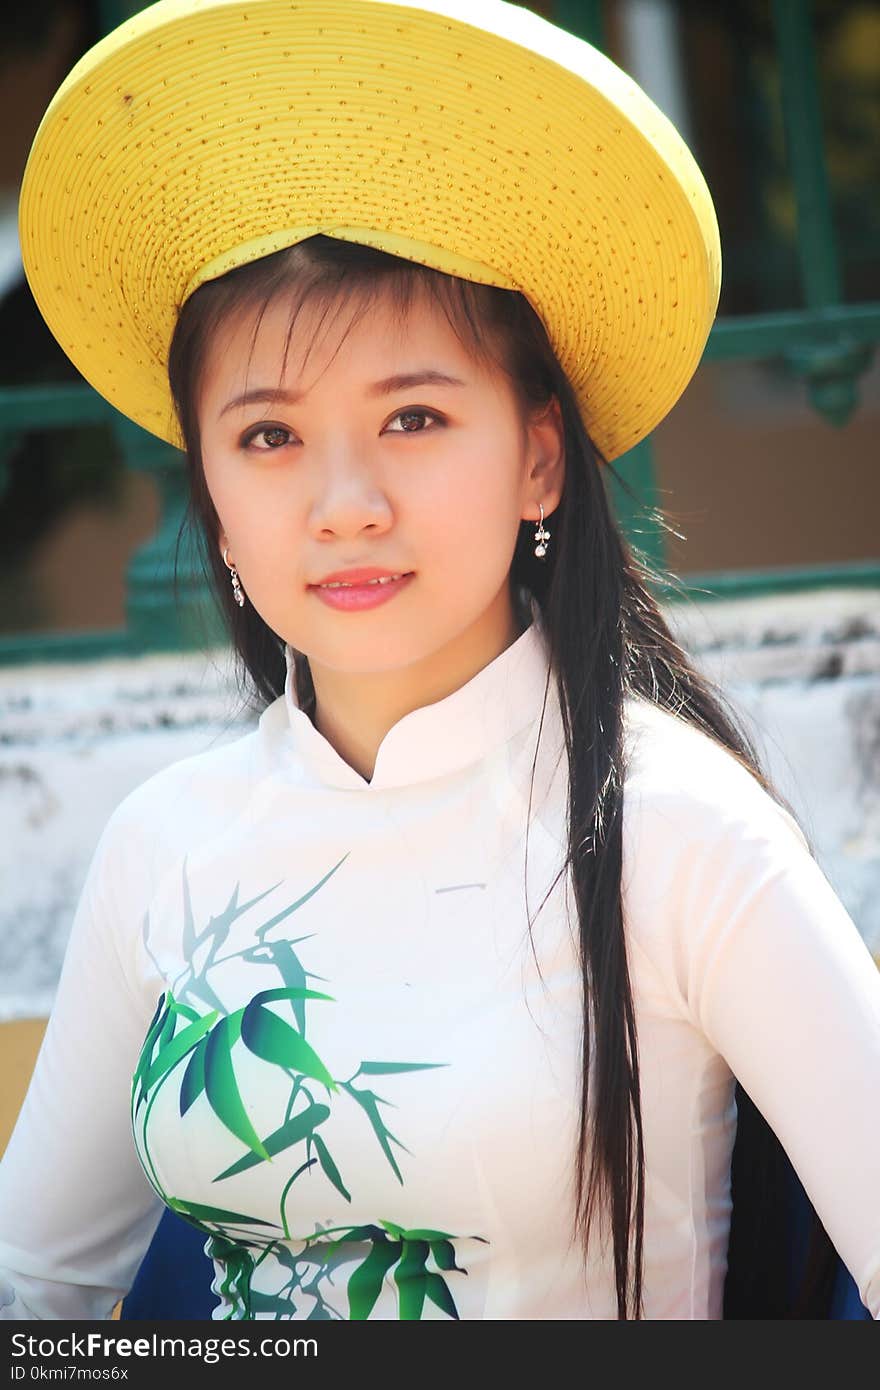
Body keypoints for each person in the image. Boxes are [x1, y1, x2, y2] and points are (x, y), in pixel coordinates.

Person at [1, 0, 878, 1322]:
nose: (343, 500)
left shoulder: (682, 834)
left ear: (538, 458)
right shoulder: (165, 845)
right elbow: (38, 1286)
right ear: (213, 493)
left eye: (413, 415)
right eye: (271, 437)